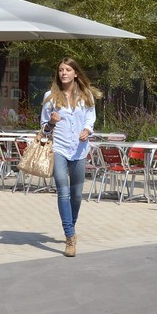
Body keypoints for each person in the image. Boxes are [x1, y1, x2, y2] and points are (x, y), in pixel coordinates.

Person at [41, 57, 97, 258]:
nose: (63, 73)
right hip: (59, 149)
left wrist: (87, 129)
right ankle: (70, 237)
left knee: (76, 195)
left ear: (75, 73)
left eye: (67, 70)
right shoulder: (50, 96)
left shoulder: (85, 95)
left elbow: (91, 117)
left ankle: (70, 226)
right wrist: (51, 122)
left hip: (80, 149)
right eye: (60, 70)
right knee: (63, 192)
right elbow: (43, 129)